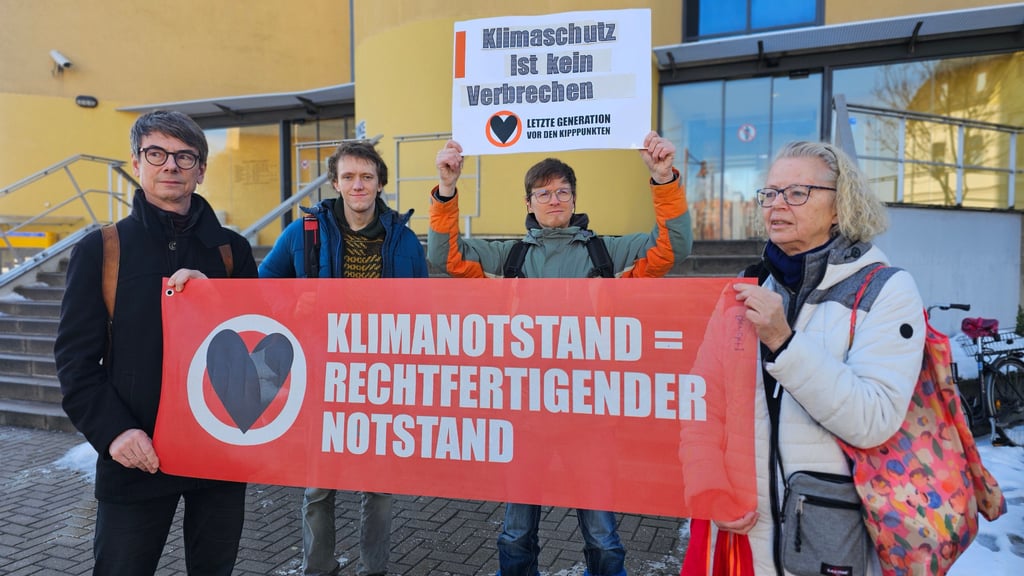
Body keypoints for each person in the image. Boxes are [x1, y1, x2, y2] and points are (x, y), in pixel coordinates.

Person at [428, 131, 692, 576]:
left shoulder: (608, 253)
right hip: (524, 418)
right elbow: (445, 256)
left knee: (603, 539)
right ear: (528, 204)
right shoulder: (506, 257)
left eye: (563, 192)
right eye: (544, 193)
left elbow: (673, 249)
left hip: (590, 419)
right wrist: (448, 189)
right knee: (515, 534)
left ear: (574, 199)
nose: (554, 199)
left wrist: (664, 181)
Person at [54, 110, 258, 576]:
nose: (171, 165)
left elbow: (259, 340)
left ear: (201, 170)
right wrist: (114, 433)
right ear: (137, 162)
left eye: (185, 156)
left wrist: (215, 298)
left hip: (219, 452)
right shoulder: (102, 249)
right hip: (136, 454)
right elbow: (75, 361)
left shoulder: (232, 251)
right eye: (157, 153)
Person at [715, 141, 926, 575]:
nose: (777, 204)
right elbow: (703, 398)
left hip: (832, 536)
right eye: (770, 193)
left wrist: (785, 343)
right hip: (745, 536)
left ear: (839, 206)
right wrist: (709, 484)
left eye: (797, 192)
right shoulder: (747, 285)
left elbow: (873, 419)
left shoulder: (887, 290)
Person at [259, 140, 428, 576]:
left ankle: (374, 569)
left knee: (380, 487)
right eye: (349, 176)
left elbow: (428, 306)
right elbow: (263, 285)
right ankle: (318, 568)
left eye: (367, 177)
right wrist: (292, 311)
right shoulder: (303, 233)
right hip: (322, 375)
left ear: (379, 184)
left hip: (383, 376)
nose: (358, 185)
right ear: (335, 183)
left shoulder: (405, 241)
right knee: (319, 487)